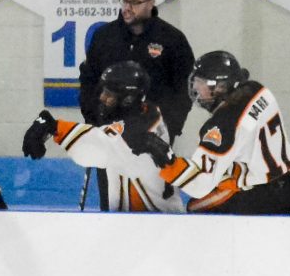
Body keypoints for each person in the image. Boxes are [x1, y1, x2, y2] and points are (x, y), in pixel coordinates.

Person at [78, 0, 194, 209]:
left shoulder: (172, 40)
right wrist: (94, 120)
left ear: (150, 3)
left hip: (152, 138)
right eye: (124, 0)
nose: (127, 7)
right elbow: (88, 80)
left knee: (152, 201)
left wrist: (169, 129)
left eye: (134, 2)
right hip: (109, 135)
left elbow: (184, 90)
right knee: (112, 200)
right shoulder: (104, 37)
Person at [139, 51, 290, 214]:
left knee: (195, 207)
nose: (195, 87)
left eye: (201, 82)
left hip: (264, 199)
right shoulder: (258, 90)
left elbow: (200, 185)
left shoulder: (221, 126)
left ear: (220, 87)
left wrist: (167, 160)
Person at [23, 61, 183, 212]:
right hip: (146, 221)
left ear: (128, 99)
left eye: (109, 95)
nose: (102, 98)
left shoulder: (139, 132)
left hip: (154, 223)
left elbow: (97, 147)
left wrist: (54, 126)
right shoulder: (147, 112)